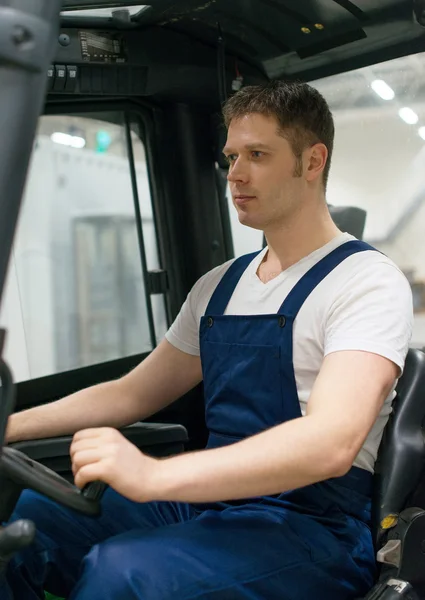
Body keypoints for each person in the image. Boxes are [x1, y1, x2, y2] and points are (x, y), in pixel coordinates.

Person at [1, 80, 413, 600]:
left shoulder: (365, 282)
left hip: (311, 522)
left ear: (312, 162)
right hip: (217, 498)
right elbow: (130, 395)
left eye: (257, 155)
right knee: (32, 519)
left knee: (125, 572)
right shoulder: (218, 286)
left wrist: (151, 476)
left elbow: (331, 442)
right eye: (231, 157)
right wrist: (8, 425)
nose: (235, 175)